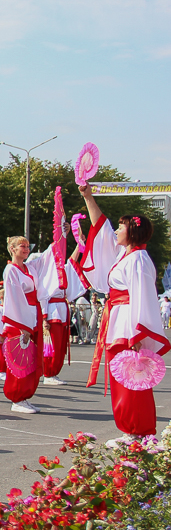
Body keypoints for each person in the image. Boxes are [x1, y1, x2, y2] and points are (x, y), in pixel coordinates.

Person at [78, 183, 169, 444]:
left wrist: (138, 335)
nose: (117, 230)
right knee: (122, 378)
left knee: (132, 379)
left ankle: (137, 430)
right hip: (118, 320)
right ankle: (131, 429)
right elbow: (102, 228)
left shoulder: (138, 259)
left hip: (128, 325)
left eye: (122, 227)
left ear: (133, 232)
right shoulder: (125, 255)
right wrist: (88, 197)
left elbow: (143, 297)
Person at [1, 236, 55, 414]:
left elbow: (46, 257)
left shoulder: (30, 267)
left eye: (27, 246)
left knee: (31, 358)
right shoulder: (11, 270)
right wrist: (22, 325)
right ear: (12, 249)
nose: (26, 249)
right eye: (22, 246)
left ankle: (24, 396)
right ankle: (16, 397)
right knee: (20, 359)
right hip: (20, 320)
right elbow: (14, 298)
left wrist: (59, 236)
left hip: (33, 316)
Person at [41, 244, 87, 385]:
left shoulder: (63, 270)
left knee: (61, 345)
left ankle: (54, 372)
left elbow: (72, 262)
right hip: (52, 311)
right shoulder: (46, 273)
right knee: (53, 345)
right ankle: (48, 373)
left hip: (62, 310)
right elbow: (43, 296)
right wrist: (44, 317)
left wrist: (79, 245)